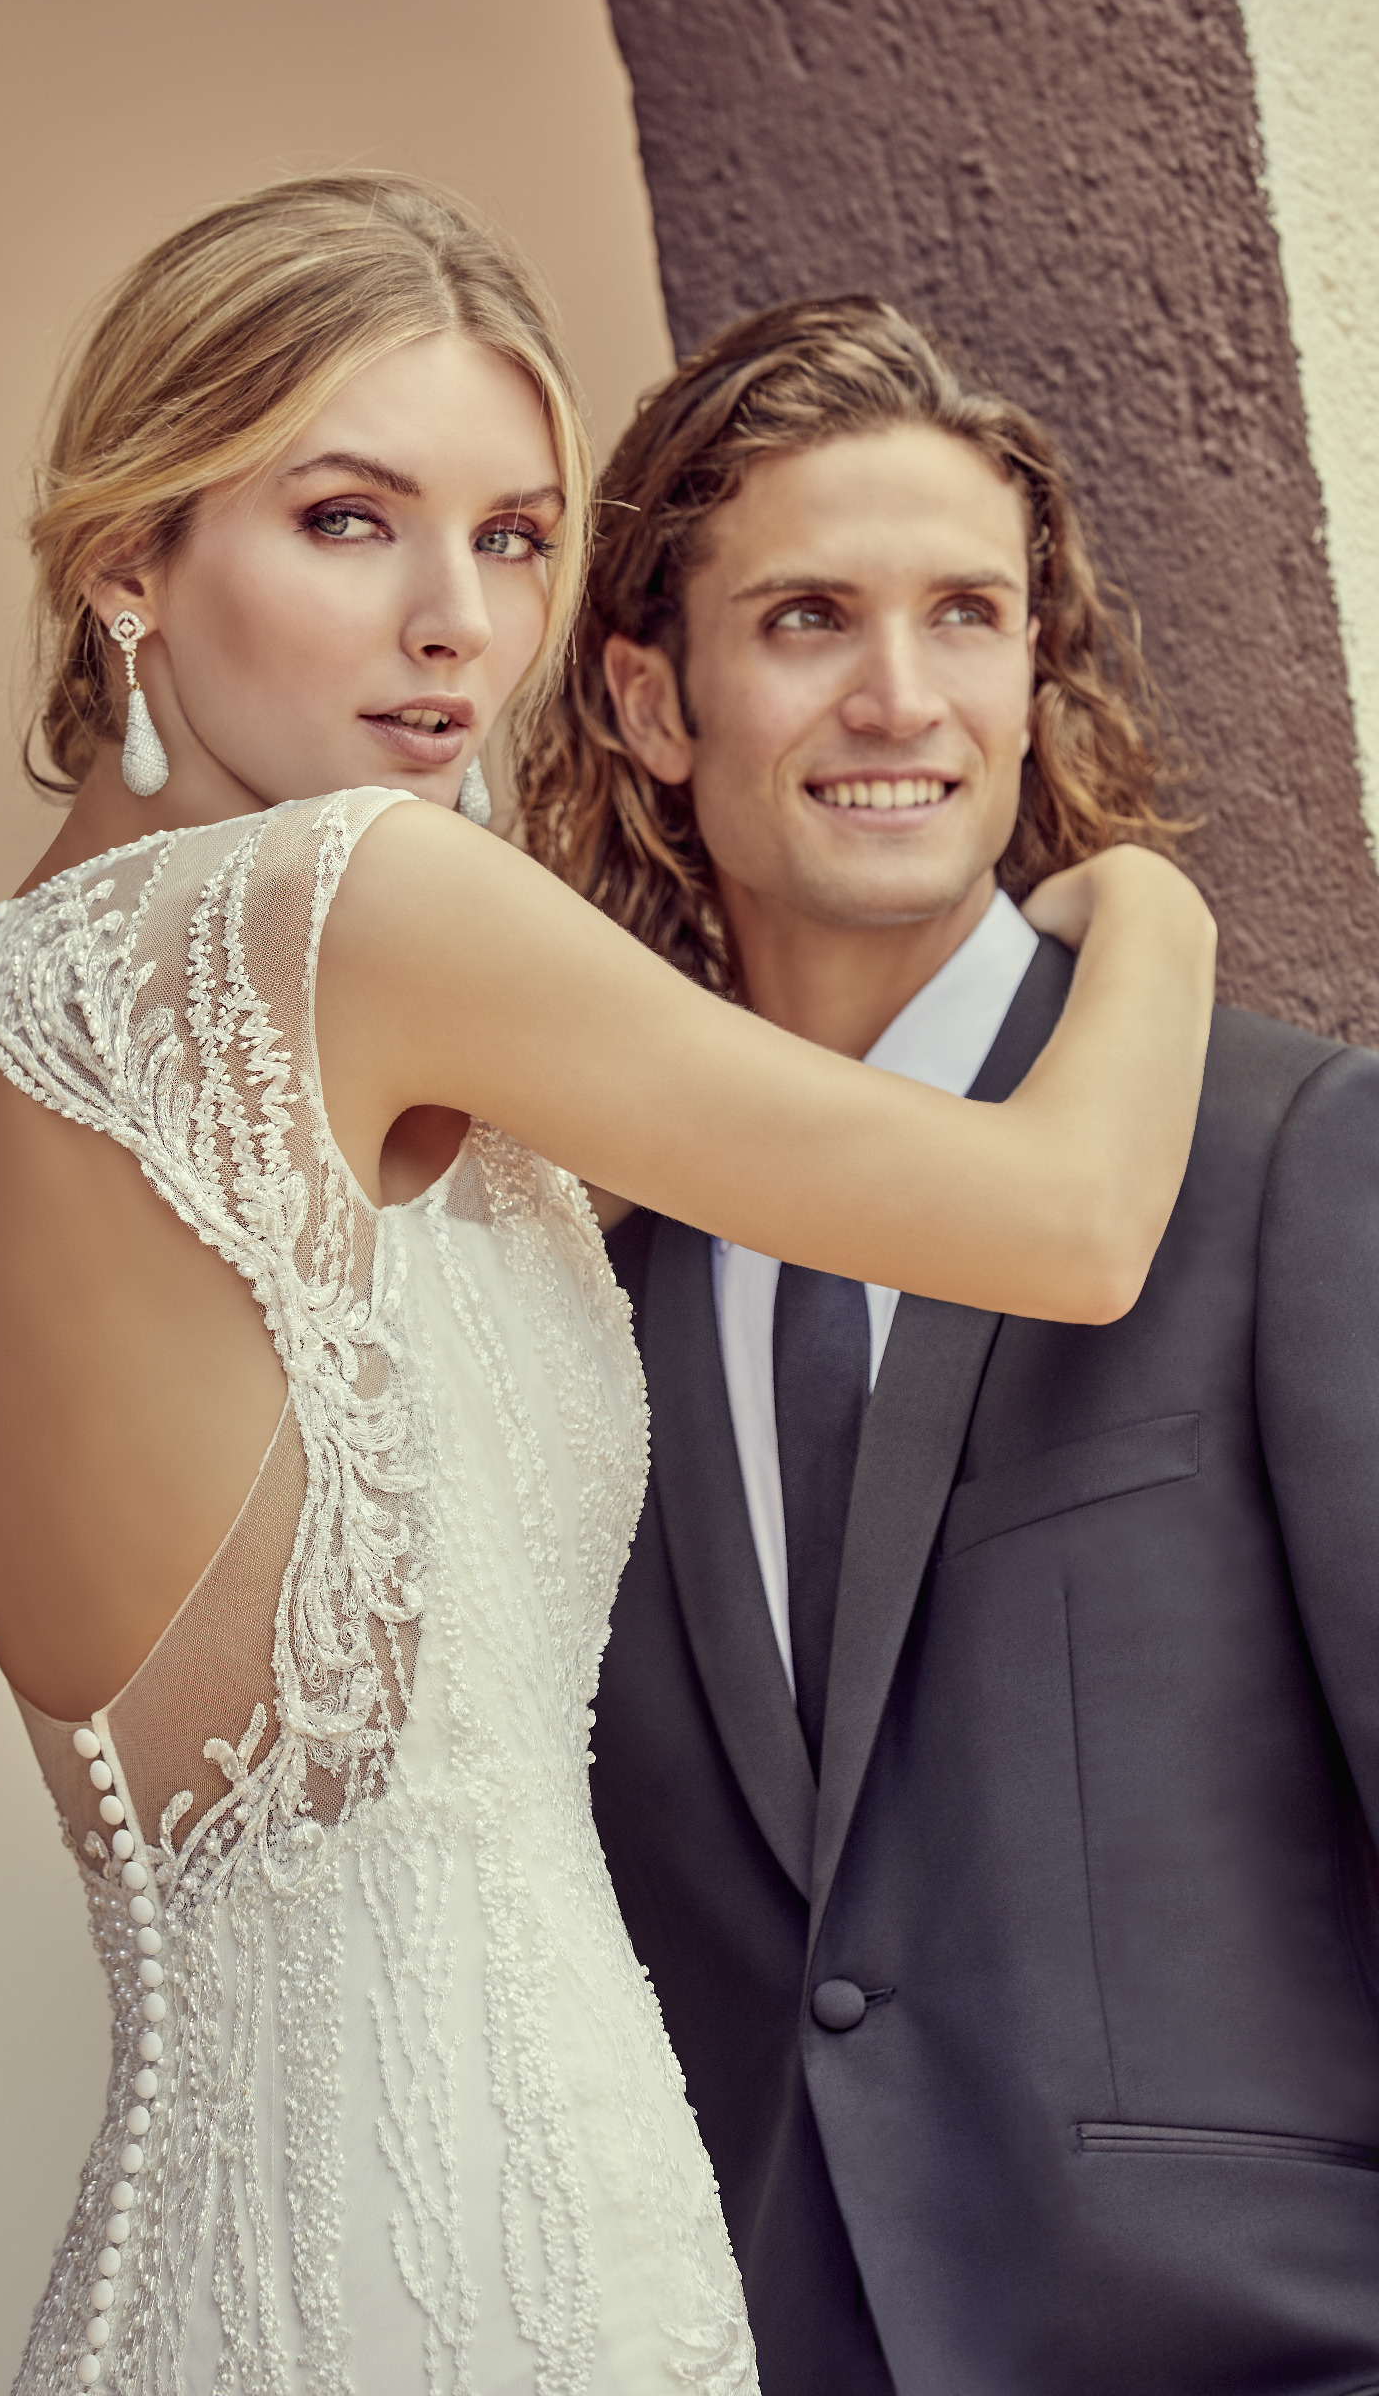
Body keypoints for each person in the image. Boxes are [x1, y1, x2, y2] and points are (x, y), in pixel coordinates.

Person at [0, 188, 1212, 2396]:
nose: (449, 627)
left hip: (181, 2267)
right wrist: (1145, 894)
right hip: (493, 2238)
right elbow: (1066, 1221)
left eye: (508, 538)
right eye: (346, 518)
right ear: (129, 564)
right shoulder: (354, 903)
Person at [522, 293, 1379, 2395]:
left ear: (1030, 673)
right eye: (809, 618)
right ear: (652, 699)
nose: (900, 698)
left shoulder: (1287, 1157)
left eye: (967, 617)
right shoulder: (573, 1293)